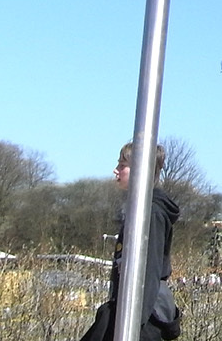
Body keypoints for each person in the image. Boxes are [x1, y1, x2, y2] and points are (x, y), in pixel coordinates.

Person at [79, 141, 181, 341]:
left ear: (141, 170)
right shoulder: (139, 209)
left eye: (122, 165)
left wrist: (133, 325)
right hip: (132, 310)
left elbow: (149, 271)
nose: (115, 170)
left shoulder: (151, 213)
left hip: (144, 316)